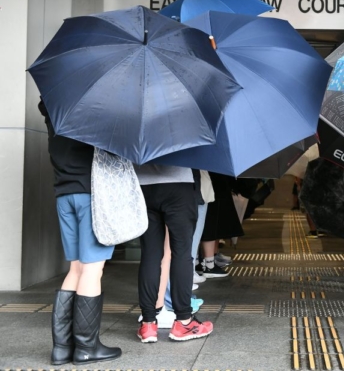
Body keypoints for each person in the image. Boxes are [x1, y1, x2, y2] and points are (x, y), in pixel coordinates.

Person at [39, 100, 121, 365]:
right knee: (92, 270)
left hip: (64, 194)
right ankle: (86, 347)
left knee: (75, 268)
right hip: (91, 196)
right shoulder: (93, 111)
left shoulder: (54, 111)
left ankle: (62, 349)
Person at [135, 164, 213, 343]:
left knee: (150, 255)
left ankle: (148, 324)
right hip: (179, 183)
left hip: (143, 185)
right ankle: (184, 321)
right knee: (182, 254)